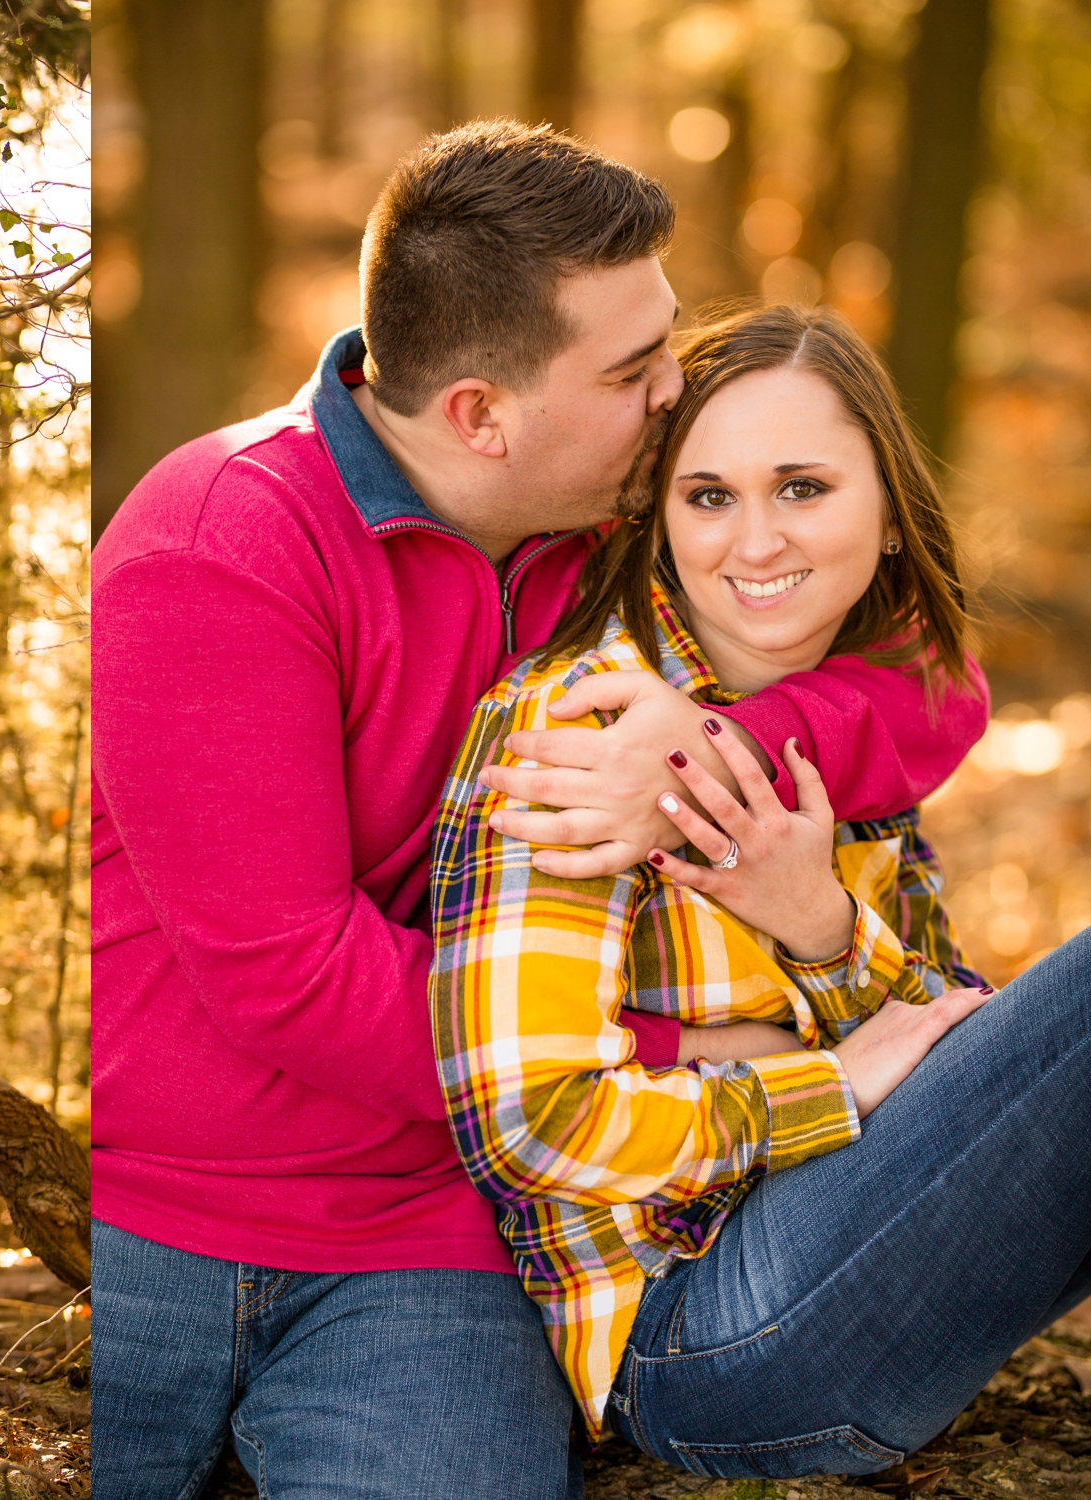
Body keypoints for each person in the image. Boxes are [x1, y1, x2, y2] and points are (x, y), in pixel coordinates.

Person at [90, 122, 989, 1497]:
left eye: (669, 343)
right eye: (635, 371)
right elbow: (290, 974)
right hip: (160, 1216)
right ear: (480, 416)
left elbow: (931, 668)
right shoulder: (226, 541)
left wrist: (716, 742)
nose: (674, 392)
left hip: (439, 1238)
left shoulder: (620, 519)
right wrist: (671, 1046)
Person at [428, 303, 1079, 1483]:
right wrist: (822, 1082)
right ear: (659, 519)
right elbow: (528, 1124)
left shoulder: (845, 717)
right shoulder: (579, 733)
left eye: (802, 488)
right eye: (709, 495)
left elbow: (944, 1041)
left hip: (849, 1267)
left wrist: (818, 926)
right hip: (690, 1337)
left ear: (887, 517)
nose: (754, 541)